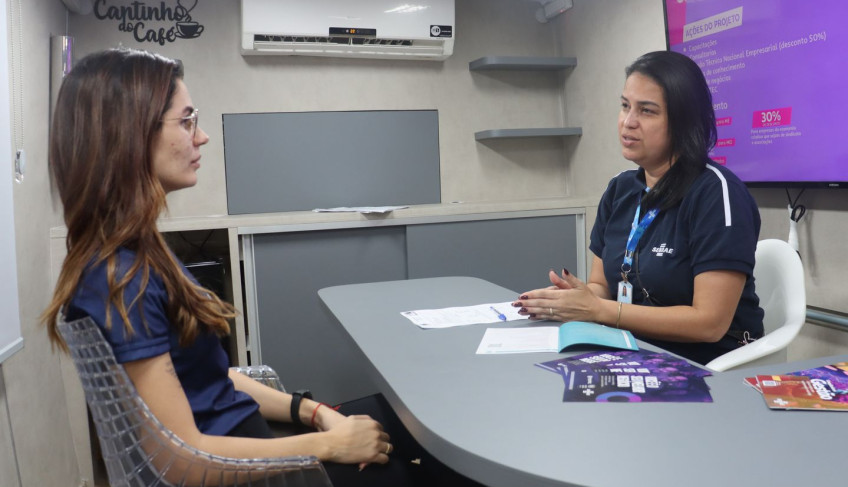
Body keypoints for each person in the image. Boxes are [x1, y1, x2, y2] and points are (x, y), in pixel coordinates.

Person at [42, 48, 479, 487]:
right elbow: (179, 461)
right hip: (256, 472)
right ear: (130, 136)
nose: (202, 137)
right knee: (436, 462)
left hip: (258, 446)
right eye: (187, 121)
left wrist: (313, 412)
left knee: (423, 419)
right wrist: (327, 445)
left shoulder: (135, 255)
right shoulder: (119, 279)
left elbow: (211, 379)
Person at [512, 51, 764, 365]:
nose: (628, 122)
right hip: (629, 349)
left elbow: (710, 324)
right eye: (625, 106)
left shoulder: (718, 194)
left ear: (683, 121)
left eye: (646, 111)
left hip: (706, 364)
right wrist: (574, 299)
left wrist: (599, 310)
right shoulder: (620, 189)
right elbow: (602, 286)